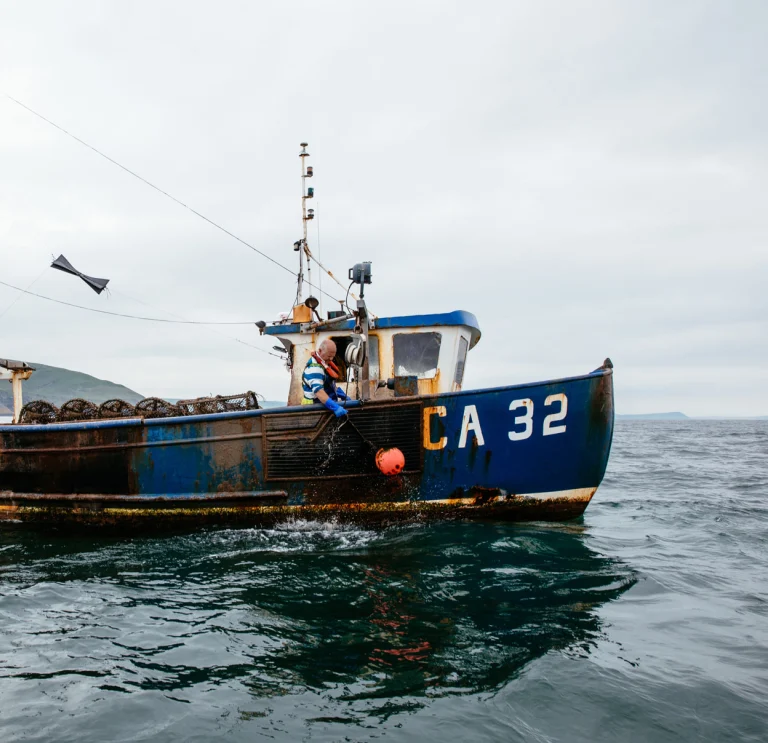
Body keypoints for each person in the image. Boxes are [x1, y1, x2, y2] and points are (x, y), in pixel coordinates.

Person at [301, 339, 349, 417]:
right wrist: (335, 407)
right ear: (320, 351)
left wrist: (341, 394)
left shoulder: (324, 362)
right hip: (314, 408)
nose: (331, 359)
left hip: (324, 405)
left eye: (333, 357)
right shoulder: (314, 368)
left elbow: (327, 384)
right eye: (329, 356)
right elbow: (319, 392)